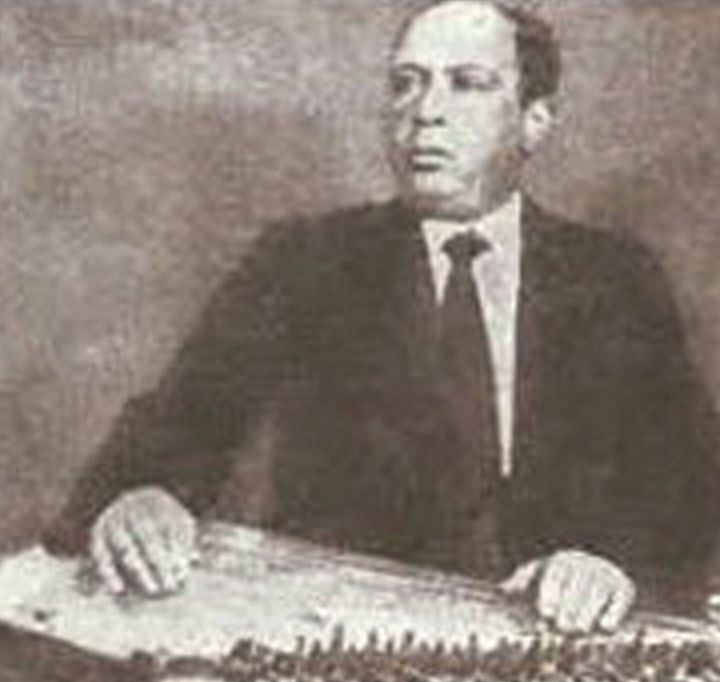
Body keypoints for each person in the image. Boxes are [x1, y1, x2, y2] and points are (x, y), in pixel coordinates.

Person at [46, 0, 719, 634]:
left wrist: (610, 561)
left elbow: (691, 487)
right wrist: (142, 495)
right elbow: (179, 425)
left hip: (548, 647)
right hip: (340, 642)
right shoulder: (304, 261)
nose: (424, 113)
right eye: (405, 84)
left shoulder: (614, 278)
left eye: (467, 84)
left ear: (534, 120)